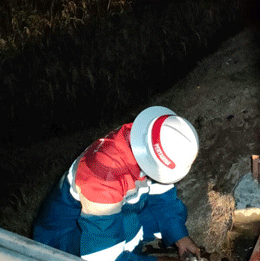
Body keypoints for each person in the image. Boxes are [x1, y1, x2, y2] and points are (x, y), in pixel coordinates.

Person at [33, 106, 202, 261]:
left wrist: (181, 237)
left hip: (115, 211)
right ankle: (131, 253)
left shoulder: (150, 139)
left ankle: (131, 250)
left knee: (168, 220)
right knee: (129, 225)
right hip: (61, 239)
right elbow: (102, 257)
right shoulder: (101, 177)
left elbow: (163, 197)